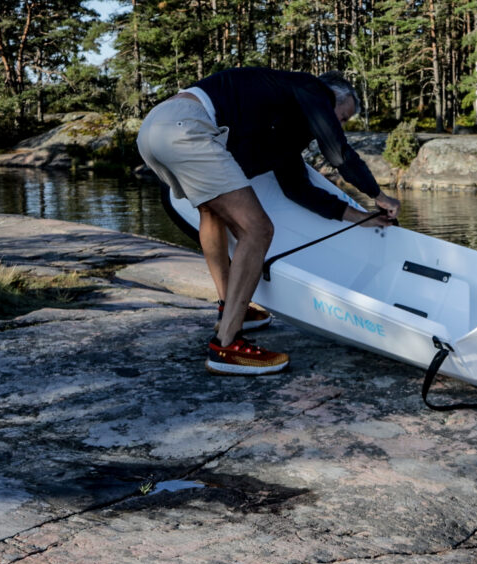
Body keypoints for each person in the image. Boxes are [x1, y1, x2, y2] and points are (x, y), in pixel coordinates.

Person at [137, 67, 400, 376]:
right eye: (343, 118)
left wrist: (360, 217)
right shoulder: (311, 86)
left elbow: (297, 188)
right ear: (334, 98)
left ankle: (232, 310)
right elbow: (337, 152)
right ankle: (228, 344)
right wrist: (378, 194)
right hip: (186, 126)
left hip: (155, 128)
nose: (339, 125)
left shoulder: (280, 122)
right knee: (258, 230)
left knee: (212, 211)